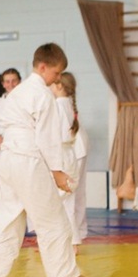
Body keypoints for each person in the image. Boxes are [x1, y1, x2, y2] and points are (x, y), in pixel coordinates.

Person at [0, 43, 99, 277]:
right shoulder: (43, 94)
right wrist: (58, 172)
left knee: (8, 220)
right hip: (27, 159)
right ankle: (66, 275)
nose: (58, 78)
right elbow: (47, 138)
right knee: (53, 218)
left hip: (7, 159)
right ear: (43, 67)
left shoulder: (16, 93)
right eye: (56, 72)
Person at [51, 72, 81, 248]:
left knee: (57, 202)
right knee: (67, 203)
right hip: (69, 155)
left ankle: (64, 242)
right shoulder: (68, 104)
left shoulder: (58, 105)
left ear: (60, 86)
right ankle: (73, 242)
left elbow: (56, 135)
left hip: (61, 156)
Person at [0, 68, 21, 153]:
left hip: (23, 145)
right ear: (3, 84)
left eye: (14, 81)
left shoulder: (27, 101)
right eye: (7, 82)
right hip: (3, 147)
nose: (11, 84)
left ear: (19, 82)